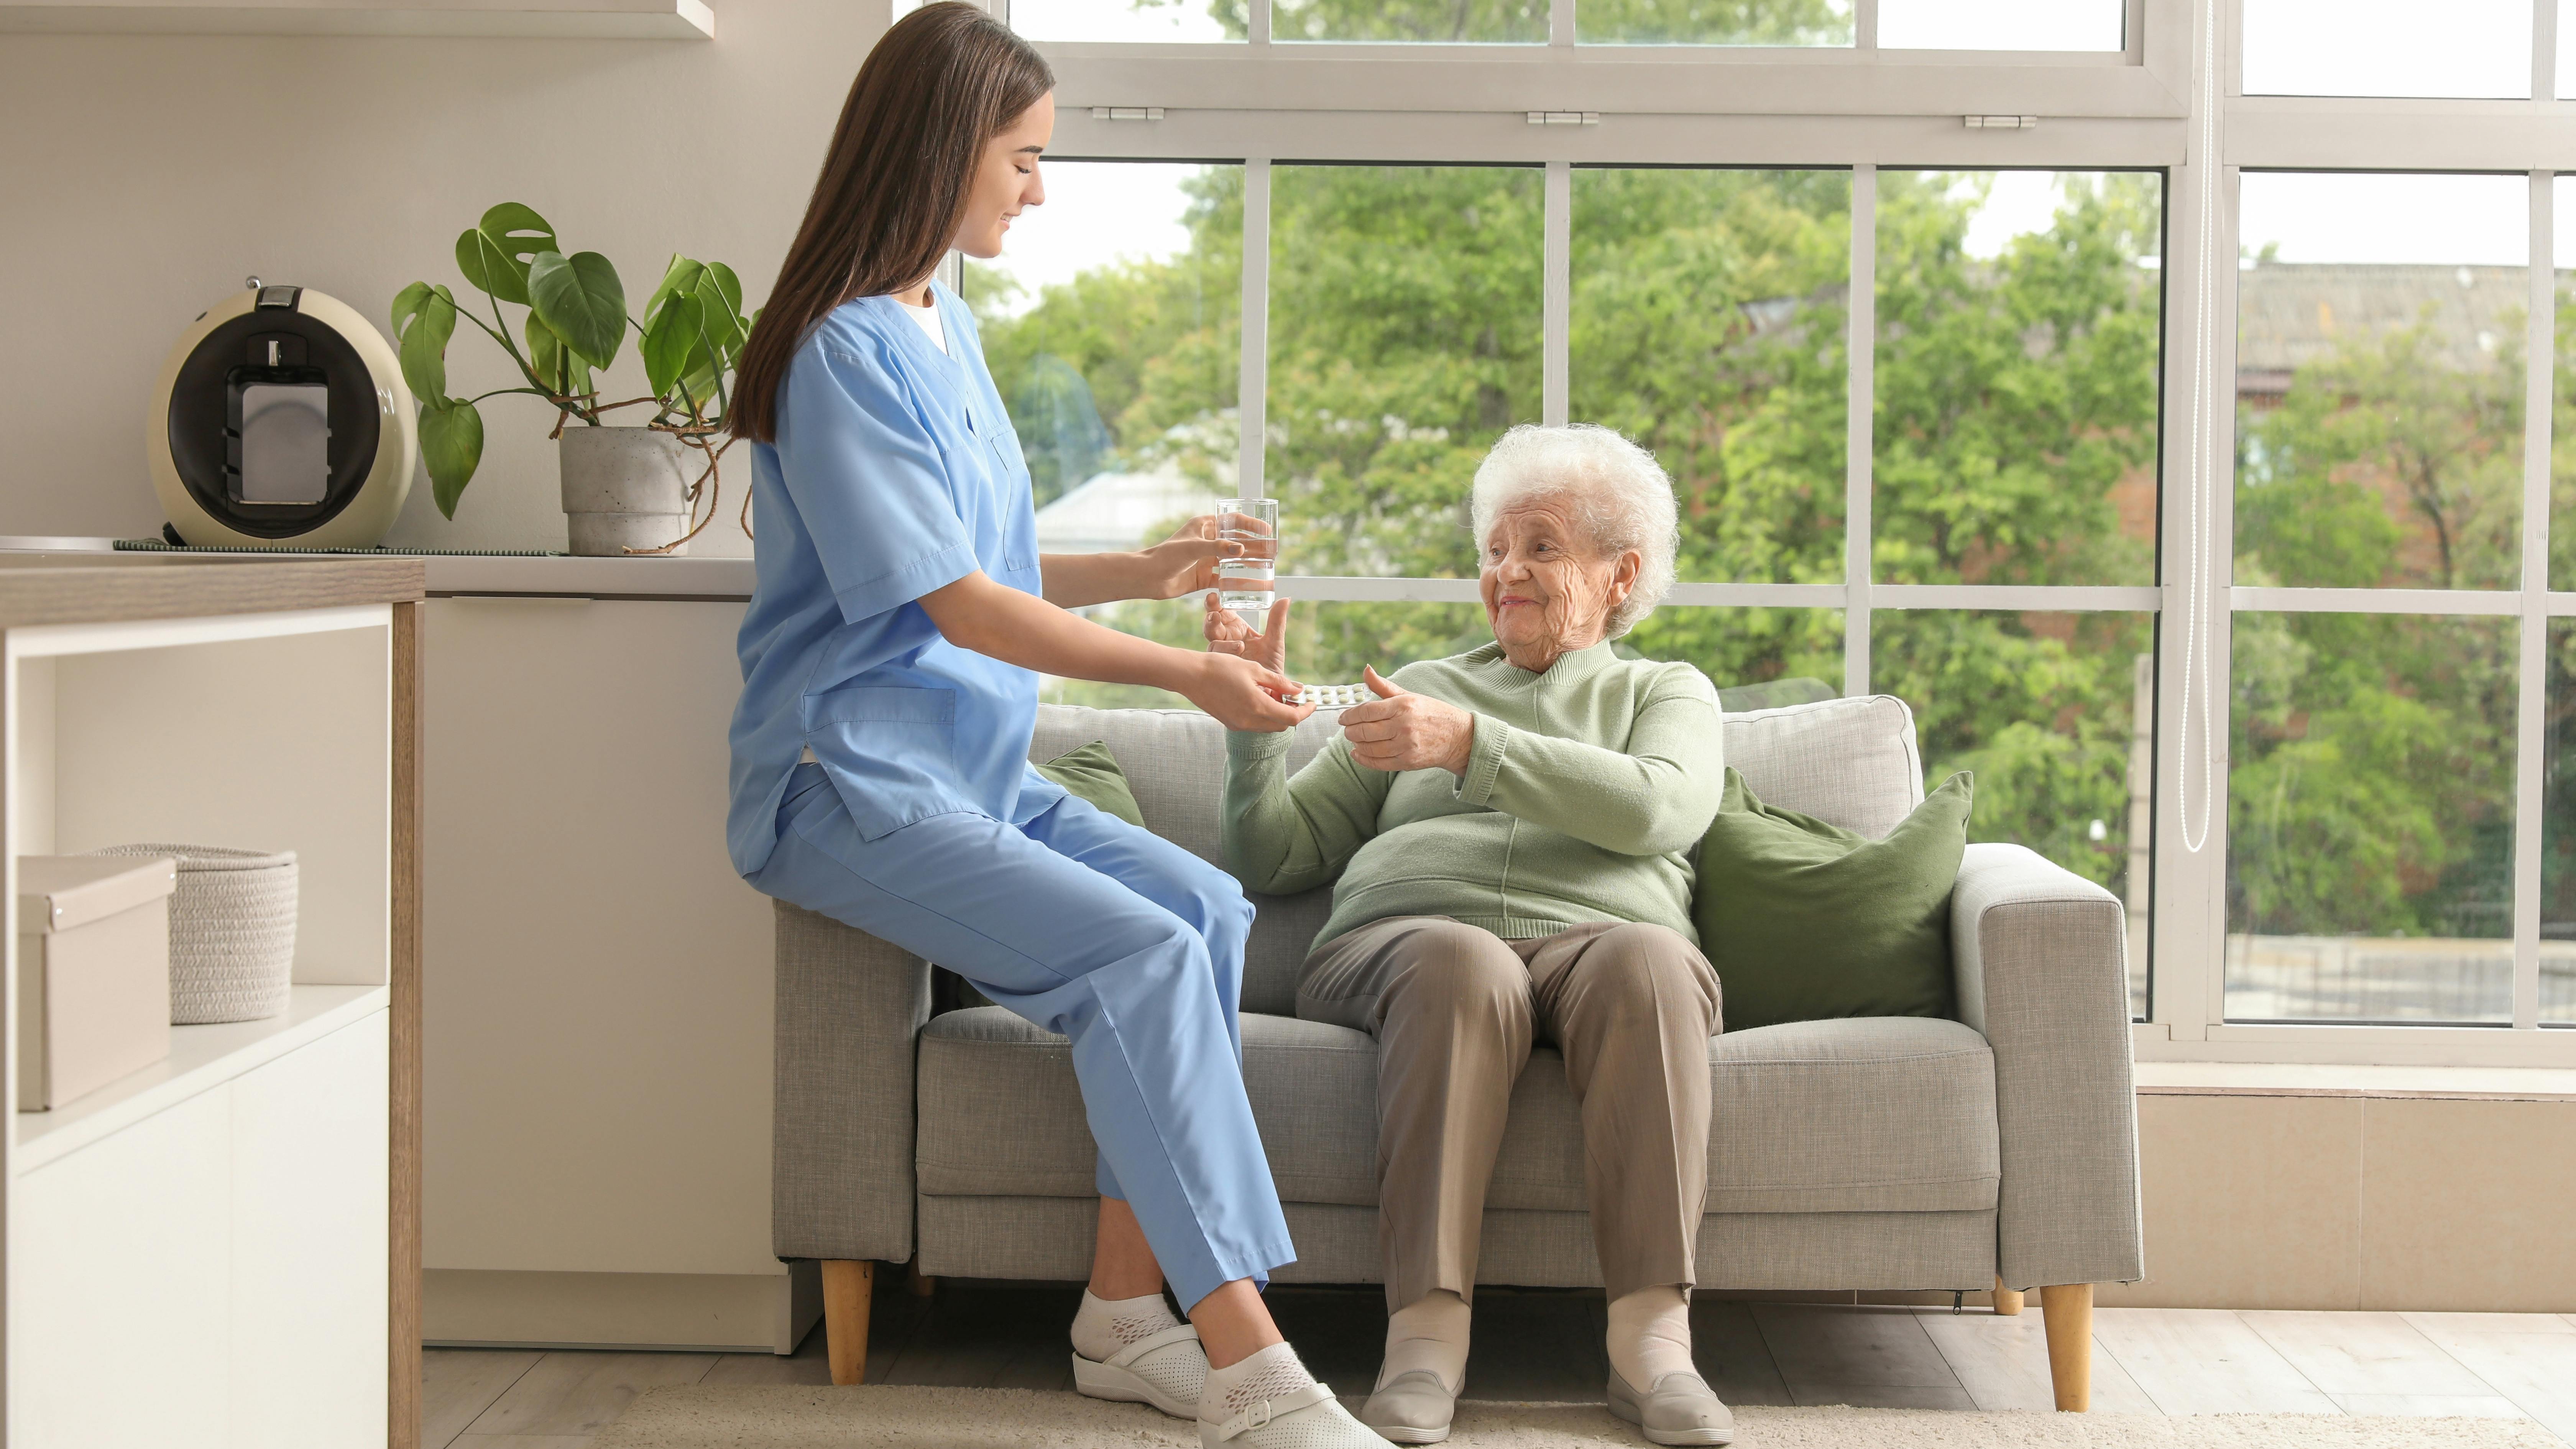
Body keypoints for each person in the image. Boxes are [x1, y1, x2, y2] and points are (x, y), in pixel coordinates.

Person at [724, 8, 1395, 1446]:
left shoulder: (936, 317)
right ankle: (1254, 1361)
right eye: (1024, 158)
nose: (1040, 187)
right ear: (942, 147)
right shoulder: (840, 351)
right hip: (845, 782)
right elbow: (958, 607)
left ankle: (1117, 1317)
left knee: (1203, 908)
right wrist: (1182, 672)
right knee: (1139, 951)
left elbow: (982, 557)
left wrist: (1147, 572)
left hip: (967, 770)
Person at [1210, 424, 1735, 1447]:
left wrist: (1471, 746)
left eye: (1541, 547)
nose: (1507, 573)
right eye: (1495, 550)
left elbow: (1659, 811)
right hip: (1410, 945)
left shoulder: (1664, 693)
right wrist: (1246, 733)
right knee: (1464, 959)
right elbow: (1273, 857)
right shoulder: (1424, 683)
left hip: (1604, 939)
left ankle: (1653, 1342)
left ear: (1619, 573)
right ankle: (1425, 1336)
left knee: (1652, 960)